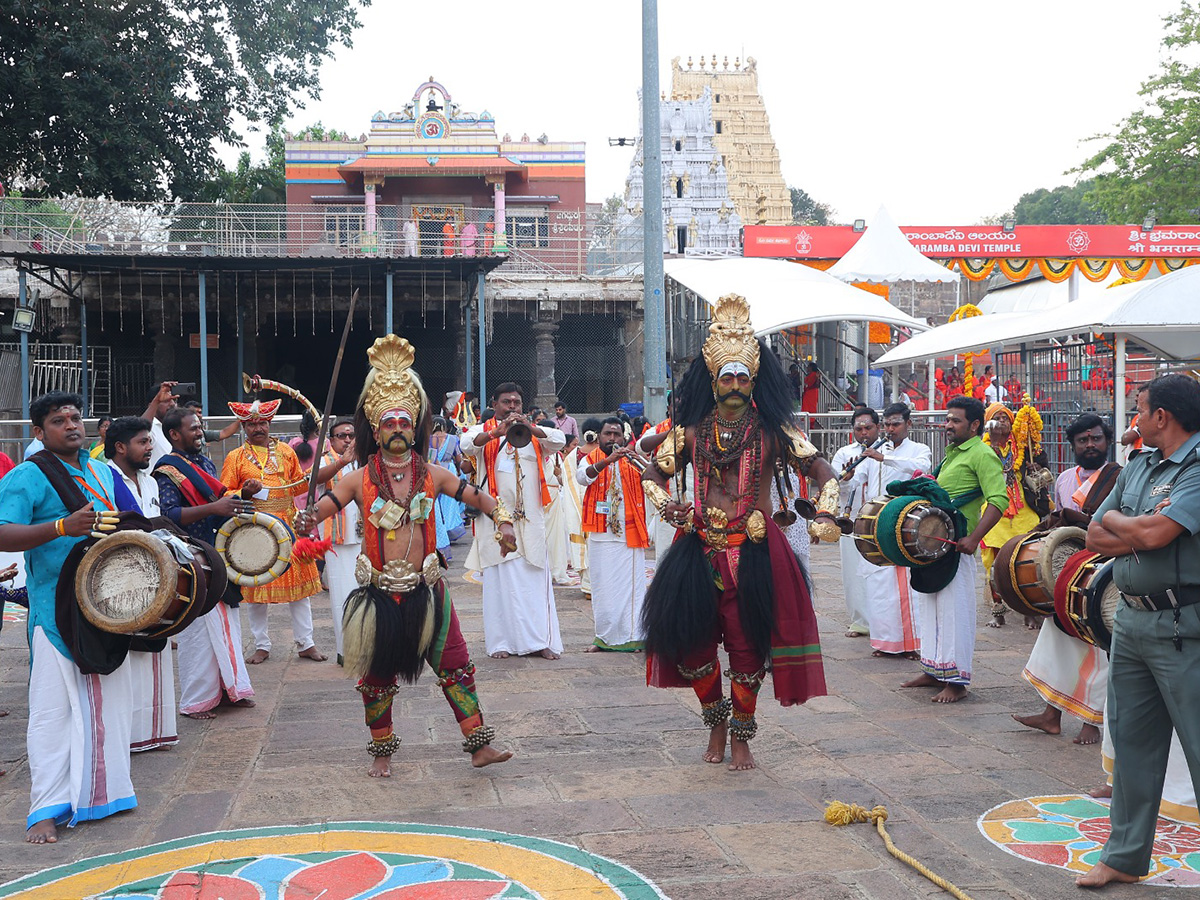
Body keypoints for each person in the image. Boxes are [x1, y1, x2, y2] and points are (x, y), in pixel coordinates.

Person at [295, 333, 516, 776]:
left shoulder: (432, 473)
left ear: (414, 427)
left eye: (404, 422)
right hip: (378, 595)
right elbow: (318, 510)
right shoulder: (358, 478)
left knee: (456, 666)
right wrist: (304, 520)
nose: (397, 429)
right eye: (388, 423)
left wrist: (504, 521)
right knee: (376, 680)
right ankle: (382, 755)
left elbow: (481, 498)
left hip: (428, 590)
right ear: (375, 430)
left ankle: (478, 746)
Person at [641, 295, 833, 771]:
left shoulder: (775, 432)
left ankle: (743, 736)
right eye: (725, 377)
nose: (733, 386)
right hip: (699, 551)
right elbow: (653, 474)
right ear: (713, 379)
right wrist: (670, 508)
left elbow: (823, 472)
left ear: (753, 382)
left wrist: (826, 513)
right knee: (692, 648)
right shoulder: (689, 432)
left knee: (749, 651)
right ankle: (715, 724)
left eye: (742, 378)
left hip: (755, 553)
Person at [1076, 375, 1200, 889]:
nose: (1134, 419)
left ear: (1163, 417)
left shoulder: (1195, 467)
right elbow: (1094, 532)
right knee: (1131, 744)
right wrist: (1139, 527)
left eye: (1140, 410)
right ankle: (1125, 857)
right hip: (1130, 621)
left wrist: (1135, 525)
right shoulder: (1141, 464)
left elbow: (1153, 532)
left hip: (1183, 628)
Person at [0, 391, 132, 843]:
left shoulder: (100, 470)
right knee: (52, 713)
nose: (72, 425)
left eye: (76, 417)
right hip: (54, 611)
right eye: (59, 420)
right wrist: (60, 527)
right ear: (39, 432)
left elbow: (125, 523)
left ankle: (104, 793)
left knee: (107, 704)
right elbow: (2, 533)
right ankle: (44, 810)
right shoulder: (27, 476)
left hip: (105, 604)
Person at [1013, 413, 1118, 745]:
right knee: (1056, 637)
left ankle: (1092, 722)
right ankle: (1051, 714)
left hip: (1104, 575)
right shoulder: (1064, 479)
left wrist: (1077, 518)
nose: (1090, 445)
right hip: (1070, 570)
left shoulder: (1120, 477)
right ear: (1073, 444)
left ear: (1107, 441)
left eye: (1096, 439)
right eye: (1083, 440)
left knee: (1098, 649)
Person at [901, 396, 1007, 703]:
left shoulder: (982, 454)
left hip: (958, 545)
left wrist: (974, 538)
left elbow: (997, 499)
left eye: (955, 420)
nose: (948, 425)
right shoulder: (951, 455)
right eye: (947, 419)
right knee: (931, 608)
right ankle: (934, 671)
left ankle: (957, 681)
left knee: (955, 611)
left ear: (974, 425)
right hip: (936, 544)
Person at [153, 408, 256, 719]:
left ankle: (229, 689)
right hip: (190, 557)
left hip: (216, 553)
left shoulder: (204, 462)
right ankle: (196, 701)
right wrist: (216, 506)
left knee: (227, 625)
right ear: (174, 435)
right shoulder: (166, 470)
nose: (200, 432)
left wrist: (241, 495)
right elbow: (168, 516)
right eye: (193, 428)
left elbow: (216, 507)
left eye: (199, 427)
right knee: (197, 632)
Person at [222, 398, 338, 664]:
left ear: (269, 423)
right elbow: (224, 492)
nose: (257, 428)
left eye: (262, 422)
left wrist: (314, 477)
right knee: (255, 590)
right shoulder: (235, 458)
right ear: (243, 426)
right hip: (254, 529)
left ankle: (306, 642)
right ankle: (261, 645)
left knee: (299, 589)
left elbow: (298, 486)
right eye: (251, 424)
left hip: (288, 525)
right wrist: (244, 492)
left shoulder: (286, 451)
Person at [463, 383, 565, 660]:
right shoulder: (483, 430)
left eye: (516, 403)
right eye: (506, 402)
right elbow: (466, 445)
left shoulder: (535, 434)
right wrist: (496, 432)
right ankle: (501, 643)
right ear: (494, 404)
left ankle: (541, 640)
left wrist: (530, 427)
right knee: (500, 581)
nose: (512, 407)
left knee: (534, 579)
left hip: (530, 519)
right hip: (495, 520)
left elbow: (560, 441)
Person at [104, 416, 176, 751]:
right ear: (120, 447)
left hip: (155, 573)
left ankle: (155, 731)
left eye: (150, 441)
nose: (150, 448)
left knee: (155, 648)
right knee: (130, 655)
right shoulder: (104, 478)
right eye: (143, 442)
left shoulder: (149, 480)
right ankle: (130, 735)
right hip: (122, 577)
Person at [846, 403, 932, 658]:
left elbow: (921, 468)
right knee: (878, 584)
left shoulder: (919, 449)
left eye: (896, 424)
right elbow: (858, 477)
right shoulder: (875, 451)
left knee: (906, 584)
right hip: (875, 525)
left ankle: (912, 644)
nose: (891, 429)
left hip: (905, 525)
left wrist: (885, 458)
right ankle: (884, 643)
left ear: (909, 424)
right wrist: (846, 475)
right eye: (888, 424)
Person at [577, 417, 650, 651]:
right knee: (602, 587)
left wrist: (641, 462)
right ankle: (604, 638)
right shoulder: (590, 459)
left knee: (631, 588)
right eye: (608, 434)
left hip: (629, 534)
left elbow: (655, 478)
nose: (612, 439)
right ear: (599, 436)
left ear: (624, 437)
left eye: (617, 435)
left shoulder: (631, 461)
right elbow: (583, 477)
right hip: (601, 533)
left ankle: (633, 637)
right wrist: (607, 462)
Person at [979, 400, 1052, 628]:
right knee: (994, 564)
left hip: (1023, 509)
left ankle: (1028, 611)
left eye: (1005, 418)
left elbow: (1043, 465)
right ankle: (998, 610)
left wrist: (1036, 468)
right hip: (994, 512)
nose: (1001, 422)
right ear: (988, 424)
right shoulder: (980, 450)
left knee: (1026, 559)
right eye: (997, 417)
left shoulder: (1025, 445)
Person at [317, 418, 360, 667]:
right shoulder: (325, 460)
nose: (346, 439)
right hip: (338, 540)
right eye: (341, 435)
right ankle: (348, 650)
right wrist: (341, 462)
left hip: (365, 537)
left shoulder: (365, 460)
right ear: (331, 440)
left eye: (351, 435)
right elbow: (314, 479)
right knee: (342, 596)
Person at [832, 408, 878, 639]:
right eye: (858, 429)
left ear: (877, 428)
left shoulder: (885, 452)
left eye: (868, 428)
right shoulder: (844, 453)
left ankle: (881, 620)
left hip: (878, 518)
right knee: (852, 572)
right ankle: (859, 621)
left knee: (880, 570)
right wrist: (846, 478)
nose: (863, 433)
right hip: (850, 519)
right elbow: (833, 485)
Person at [564, 419, 601, 594]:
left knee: (585, 543)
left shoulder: (573, 455)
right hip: (597, 504)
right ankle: (595, 586)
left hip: (577, 503)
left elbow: (567, 480)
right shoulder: (602, 455)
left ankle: (588, 586)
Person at [428, 416, 466, 558]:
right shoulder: (453, 439)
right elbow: (458, 457)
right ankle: (449, 530)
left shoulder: (428, 439)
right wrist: (457, 470)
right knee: (449, 505)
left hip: (433, 472)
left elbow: (431, 459)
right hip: (448, 471)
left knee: (437, 507)